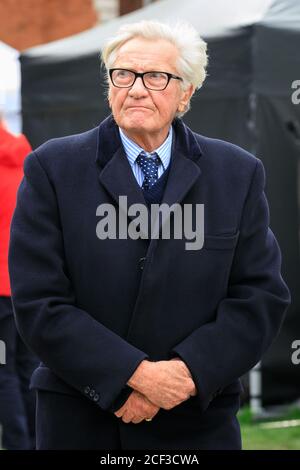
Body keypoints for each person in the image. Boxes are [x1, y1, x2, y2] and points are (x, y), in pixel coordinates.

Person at [8, 20, 290, 450]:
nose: (136, 89)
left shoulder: (237, 173)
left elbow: (260, 296)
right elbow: (39, 302)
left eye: (156, 77)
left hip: (196, 424)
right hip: (84, 422)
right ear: (109, 84)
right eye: (123, 74)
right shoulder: (53, 168)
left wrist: (185, 374)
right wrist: (133, 376)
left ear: (186, 93)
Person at [0, 115, 38, 449]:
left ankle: (17, 445)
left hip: (0, 290)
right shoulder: (25, 161)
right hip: (24, 286)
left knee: (2, 373)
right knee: (27, 369)